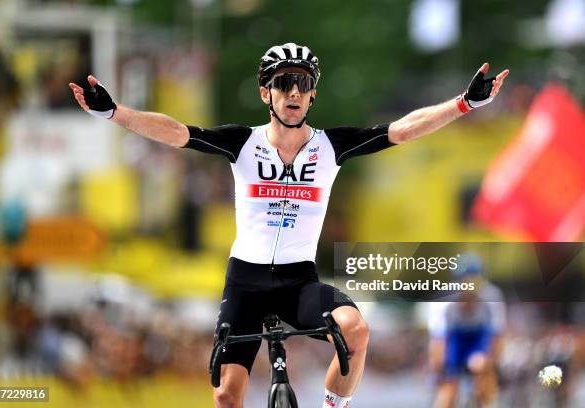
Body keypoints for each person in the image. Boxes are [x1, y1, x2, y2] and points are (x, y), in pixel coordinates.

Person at [69, 43, 509, 408]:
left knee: (356, 329)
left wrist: (464, 103)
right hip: (245, 280)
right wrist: (114, 113)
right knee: (226, 396)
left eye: (303, 84)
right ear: (267, 93)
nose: (293, 92)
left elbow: (404, 130)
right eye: (283, 83)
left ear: (313, 96)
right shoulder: (243, 143)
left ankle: (333, 405)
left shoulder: (331, 147)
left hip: (300, 281)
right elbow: (175, 132)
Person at [427, 254, 506, 408]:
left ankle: (485, 402)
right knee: (448, 386)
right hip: (454, 338)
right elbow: (438, 341)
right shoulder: (444, 300)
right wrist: (440, 371)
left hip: (479, 337)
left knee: (482, 368)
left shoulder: (492, 295)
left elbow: (496, 336)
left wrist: (491, 364)